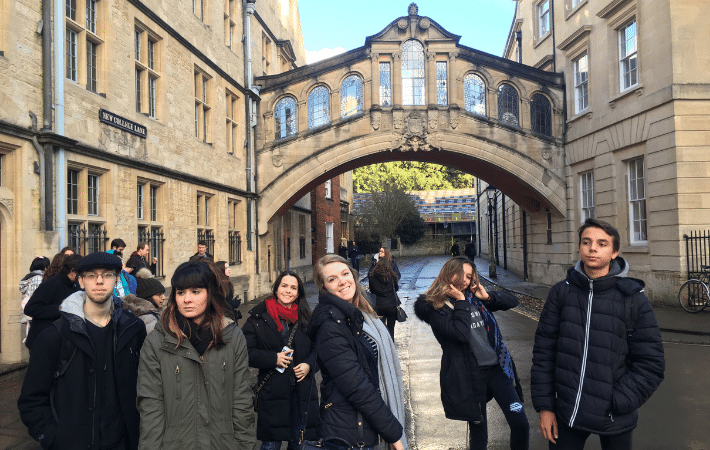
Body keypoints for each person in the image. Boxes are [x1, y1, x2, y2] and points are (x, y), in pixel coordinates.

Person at [531, 218, 665, 450]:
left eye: (602, 244)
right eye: (586, 242)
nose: (592, 248)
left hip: (614, 417)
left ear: (614, 252)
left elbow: (651, 363)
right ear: (579, 247)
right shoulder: (561, 293)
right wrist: (545, 407)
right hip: (567, 413)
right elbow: (544, 353)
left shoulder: (634, 299)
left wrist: (619, 400)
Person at [18, 251, 146, 450]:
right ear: (81, 281)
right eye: (91, 275)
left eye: (107, 274)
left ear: (116, 280)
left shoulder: (133, 329)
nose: (99, 281)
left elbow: (145, 387)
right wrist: (53, 438)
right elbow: (32, 400)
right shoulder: (55, 336)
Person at [136, 260, 255, 449]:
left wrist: (245, 446)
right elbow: (151, 407)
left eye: (195, 292)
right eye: (180, 292)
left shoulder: (232, 337)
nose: (187, 299)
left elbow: (241, 400)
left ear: (210, 293)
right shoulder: (157, 342)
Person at [414, 256, 529, 450]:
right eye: (463, 275)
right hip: (470, 376)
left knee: (520, 424)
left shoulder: (474, 298)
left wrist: (487, 297)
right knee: (479, 435)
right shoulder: (435, 307)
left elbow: (513, 301)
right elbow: (460, 333)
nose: (465, 281)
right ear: (450, 273)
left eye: (469, 277)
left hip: (497, 370)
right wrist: (460, 301)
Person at [310, 255, 406, 450]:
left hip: (364, 427)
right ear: (324, 287)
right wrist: (394, 434)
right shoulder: (330, 325)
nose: (342, 281)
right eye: (332, 279)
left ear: (353, 275)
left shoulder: (360, 313)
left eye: (345, 274)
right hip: (348, 436)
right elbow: (359, 388)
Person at [242, 271, 319, 450]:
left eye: (293, 288)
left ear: (298, 293)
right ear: (276, 288)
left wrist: (309, 364)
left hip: (302, 391)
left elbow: (319, 348)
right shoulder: (258, 318)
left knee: (299, 443)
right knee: (271, 445)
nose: (288, 291)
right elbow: (244, 352)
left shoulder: (307, 317)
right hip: (273, 391)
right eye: (284, 286)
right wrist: (273, 358)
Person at [23, 254, 82, 350]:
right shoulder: (52, 284)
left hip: (60, 341)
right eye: (81, 273)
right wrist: (59, 308)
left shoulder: (74, 285)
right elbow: (30, 308)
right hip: (42, 341)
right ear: (72, 271)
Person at [19, 256, 51, 341]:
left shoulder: (29, 277)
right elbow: (38, 297)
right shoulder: (38, 278)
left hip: (29, 315)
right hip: (36, 314)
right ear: (45, 267)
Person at [367, 257, 400, 341]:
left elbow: (372, 290)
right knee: (391, 328)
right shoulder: (392, 276)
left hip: (379, 305)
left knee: (381, 329)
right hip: (391, 305)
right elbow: (396, 288)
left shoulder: (372, 277)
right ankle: (391, 343)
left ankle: (383, 344)